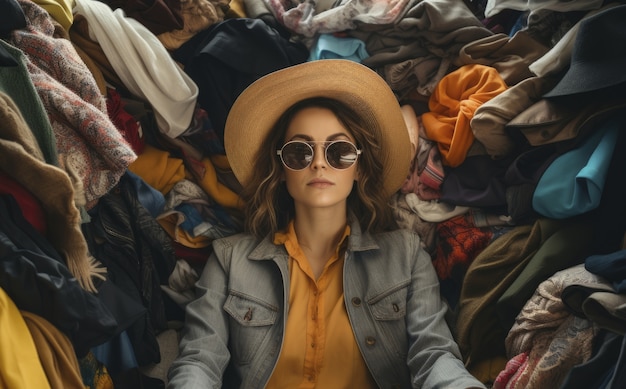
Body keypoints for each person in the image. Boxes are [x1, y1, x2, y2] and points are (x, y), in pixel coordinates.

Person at [167, 59, 486, 389]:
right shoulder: (230, 259)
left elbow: (433, 354)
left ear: (359, 168)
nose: (319, 162)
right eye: (299, 152)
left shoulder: (405, 255)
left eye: (339, 151)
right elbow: (200, 360)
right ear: (280, 168)